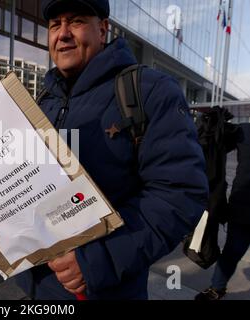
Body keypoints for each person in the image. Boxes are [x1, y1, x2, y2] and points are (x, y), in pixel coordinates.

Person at [15, 0, 209, 300]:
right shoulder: (43, 100)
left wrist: (96, 261)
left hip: (105, 289)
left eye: (76, 21)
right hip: (41, 287)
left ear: (103, 29)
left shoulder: (149, 90)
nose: (62, 34)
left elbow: (180, 194)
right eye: (55, 25)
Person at [195, 123, 250, 300]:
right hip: (243, 206)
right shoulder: (244, 131)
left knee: (232, 251)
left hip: (242, 205)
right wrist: (212, 124)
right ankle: (217, 289)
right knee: (232, 251)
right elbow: (214, 145)